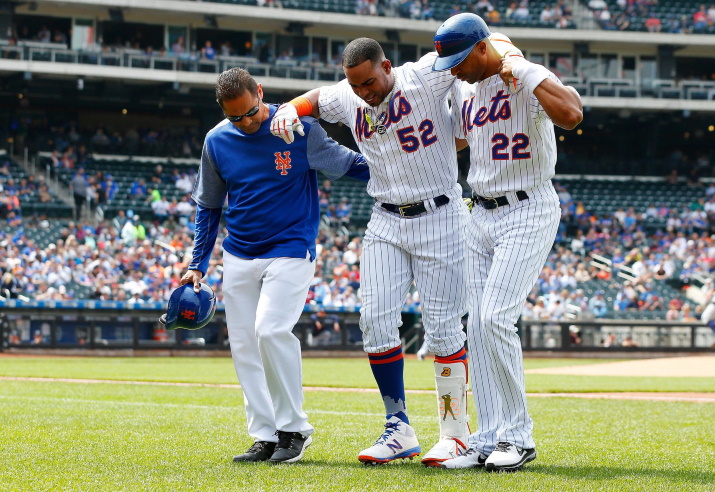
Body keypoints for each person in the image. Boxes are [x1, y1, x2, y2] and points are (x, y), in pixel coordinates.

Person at [270, 37, 470, 467]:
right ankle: (398, 428)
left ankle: (455, 435)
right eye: (355, 84)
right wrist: (290, 108)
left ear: (387, 65)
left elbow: (471, 55)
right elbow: (318, 99)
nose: (364, 92)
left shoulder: (426, 75)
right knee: (375, 321)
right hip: (385, 217)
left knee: (442, 329)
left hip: (440, 213)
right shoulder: (349, 94)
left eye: (369, 81)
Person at [180, 68, 369, 465]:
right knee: (245, 346)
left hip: (290, 247)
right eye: (236, 117)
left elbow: (353, 164)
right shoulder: (217, 141)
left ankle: (294, 429)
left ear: (260, 93)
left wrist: (408, 168)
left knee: (270, 329)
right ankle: (264, 435)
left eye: (250, 112)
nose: (246, 122)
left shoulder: (296, 128)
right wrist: (197, 262)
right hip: (239, 253)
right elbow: (208, 205)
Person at [432, 13, 582, 472]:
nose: (453, 70)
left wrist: (526, 69)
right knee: (477, 325)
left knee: (496, 317)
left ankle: (519, 437)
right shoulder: (466, 87)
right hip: (481, 211)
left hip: (527, 205)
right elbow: (458, 138)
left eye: (460, 60)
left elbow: (572, 114)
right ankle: (491, 434)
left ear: (482, 49)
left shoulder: (523, 74)